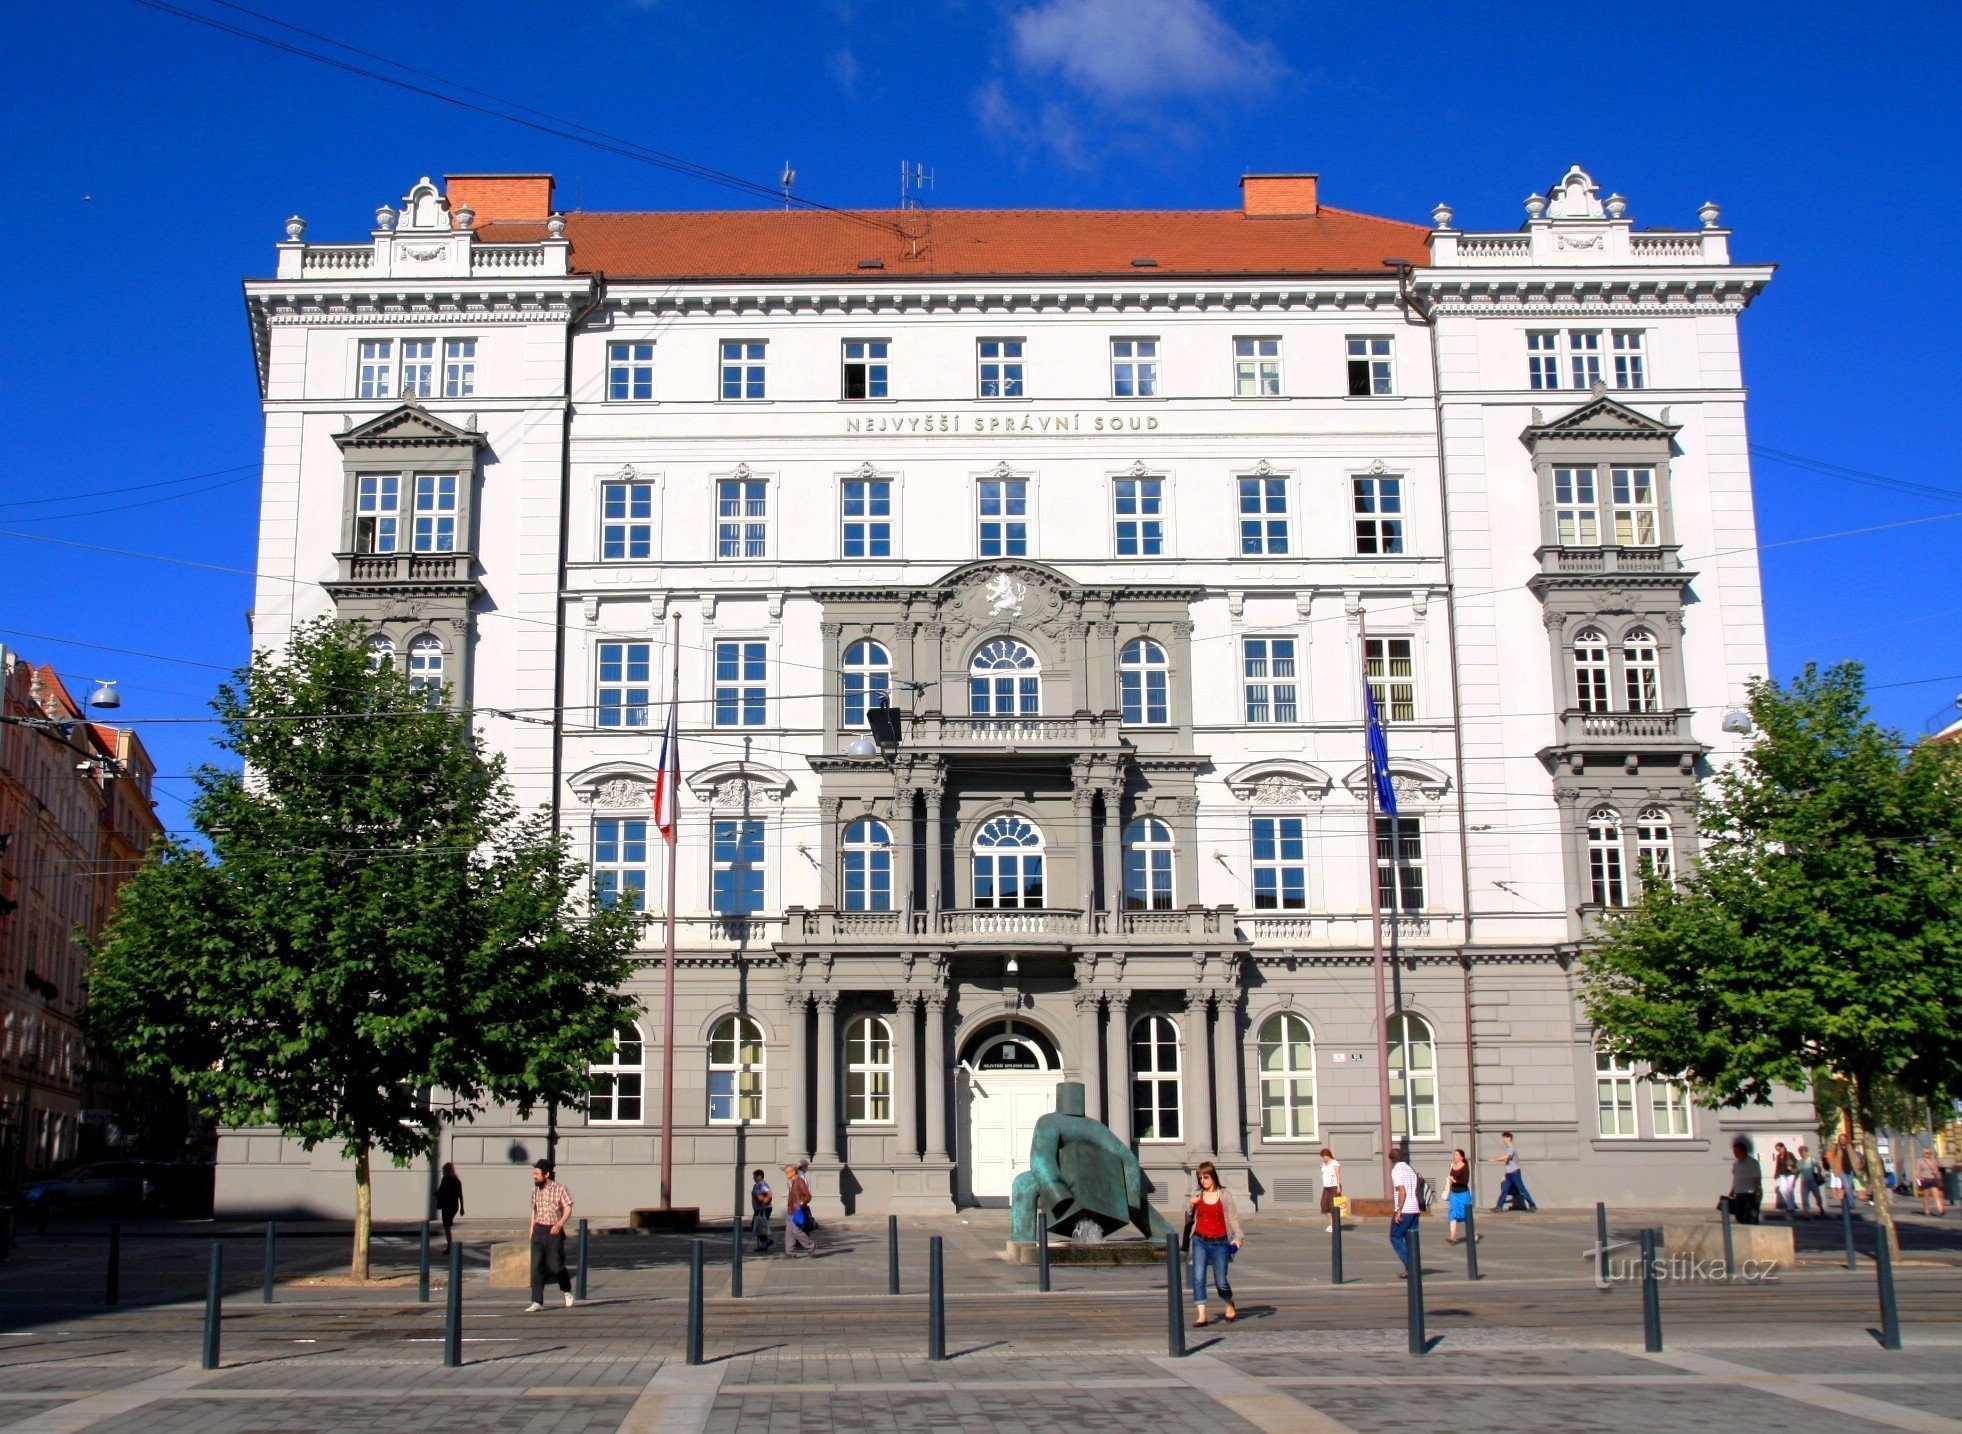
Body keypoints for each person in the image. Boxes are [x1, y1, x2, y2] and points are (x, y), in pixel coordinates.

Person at [1187, 1160, 1244, 1327]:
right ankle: (1201, 1315)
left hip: (1220, 1242)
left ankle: (1228, 1303)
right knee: (1198, 1277)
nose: (1203, 1181)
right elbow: (1190, 1217)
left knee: (1221, 1280)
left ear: (1213, 1177)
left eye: (1206, 1177)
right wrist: (1191, 1204)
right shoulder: (1198, 1195)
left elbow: (1233, 1217)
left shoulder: (1224, 1195)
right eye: (1200, 1178)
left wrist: (1238, 1237)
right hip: (1200, 1240)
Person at [524, 1159, 575, 1311]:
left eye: (537, 1174)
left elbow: (568, 1209)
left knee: (556, 1266)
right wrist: (532, 1229)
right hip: (539, 1230)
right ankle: (537, 1301)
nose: (534, 1176)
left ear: (546, 1174)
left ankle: (566, 1290)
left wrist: (560, 1224)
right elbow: (534, 1211)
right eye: (534, 1173)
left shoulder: (560, 1188)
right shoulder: (535, 1191)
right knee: (536, 1267)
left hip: (554, 1231)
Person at [1389, 1146, 1421, 1277]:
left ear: (1392, 1159)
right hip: (1415, 1208)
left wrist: (1399, 1210)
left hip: (1405, 1209)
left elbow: (1402, 1190)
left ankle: (1412, 1265)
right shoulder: (1410, 1169)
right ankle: (1411, 1268)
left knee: (1395, 1236)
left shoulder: (1396, 1170)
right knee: (1410, 1239)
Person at [1488, 1131, 1536, 1212]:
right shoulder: (1508, 1148)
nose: (1503, 1140)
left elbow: (1508, 1156)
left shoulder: (1511, 1147)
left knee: (1522, 1189)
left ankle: (1532, 1205)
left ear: (1509, 1138)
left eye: (1505, 1138)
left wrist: (1495, 1159)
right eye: (1503, 1138)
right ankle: (1499, 1207)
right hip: (1509, 1174)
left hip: (1514, 1173)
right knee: (1504, 1190)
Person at [1721, 1138, 1762, 1225]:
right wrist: (1732, 1191)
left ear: (1742, 1151)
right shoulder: (1736, 1163)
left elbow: (1757, 1179)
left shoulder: (1752, 1163)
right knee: (1739, 1216)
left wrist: (1758, 1192)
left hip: (1750, 1194)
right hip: (1738, 1194)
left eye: (1736, 1151)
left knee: (1751, 1217)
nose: (1734, 1153)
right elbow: (1736, 1178)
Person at [783, 1162, 815, 1257]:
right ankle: (790, 1252)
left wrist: (800, 1204)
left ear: (793, 1172)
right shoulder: (793, 1182)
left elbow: (808, 1196)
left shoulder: (799, 1181)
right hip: (791, 1210)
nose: (786, 1174)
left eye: (787, 1172)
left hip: (796, 1210)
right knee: (789, 1232)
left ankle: (811, 1246)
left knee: (796, 1231)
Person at [1445, 1148, 1475, 1244]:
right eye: (1454, 1154)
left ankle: (1474, 1233)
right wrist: (1449, 1181)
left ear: (1461, 1157)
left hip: (1463, 1194)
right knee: (1453, 1213)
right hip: (1454, 1194)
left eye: (1456, 1155)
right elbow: (1450, 1177)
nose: (1455, 1156)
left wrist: (1455, 1181)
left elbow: (1465, 1182)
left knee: (1466, 1215)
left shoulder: (1465, 1167)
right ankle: (1452, 1236)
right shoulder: (1452, 1166)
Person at [435, 1162, 464, 1251]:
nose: (442, 1172)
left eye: (443, 1170)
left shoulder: (445, 1180)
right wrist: (462, 1208)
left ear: (446, 1170)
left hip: (446, 1205)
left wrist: (437, 1194)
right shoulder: (457, 1181)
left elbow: (441, 1190)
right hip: (454, 1205)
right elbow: (460, 1195)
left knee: (447, 1227)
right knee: (447, 1226)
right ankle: (449, 1246)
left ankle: (449, 1247)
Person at [1795, 1144, 1824, 1217]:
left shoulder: (1811, 1160)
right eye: (1800, 1152)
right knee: (1804, 1198)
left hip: (1812, 1181)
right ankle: (1806, 1213)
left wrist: (1819, 1176)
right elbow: (1798, 1172)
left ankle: (1821, 1208)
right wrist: (1794, 1181)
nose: (1802, 1154)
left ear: (1806, 1152)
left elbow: (1819, 1167)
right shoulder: (1799, 1162)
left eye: (1803, 1152)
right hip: (1804, 1181)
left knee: (1817, 1195)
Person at [1916, 1148, 1947, 1217]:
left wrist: (1938, 1172)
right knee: (1926, 1197)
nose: (1928, 1154)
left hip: (1933, 1180)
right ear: (1924, 1154)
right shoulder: (1920, 1161)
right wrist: (1918, 1183)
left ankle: (1940, 1210)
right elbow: (1917, 1172)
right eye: (1927, 1153)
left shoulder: (1934, 1161)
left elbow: (1940, 1168)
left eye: (1930, 1153)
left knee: (1936, 1196)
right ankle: (1927, 1210)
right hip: (1924, 1180)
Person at [750, 1168, 775, 1251]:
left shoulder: (762, 1184)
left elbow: (769, 1194)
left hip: (763, 1209)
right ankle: (764, 1245)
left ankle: (767, 1240)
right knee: (760, 1227)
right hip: (759, 1209)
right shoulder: (758, 1185)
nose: (753, 1178)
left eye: (755, 1176)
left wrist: (764, 1203)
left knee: (756, 1226)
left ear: (759, 1176)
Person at [1319, 1147, 1343, 1233]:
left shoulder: (1335, 1163)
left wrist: (1338, 1186)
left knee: (1334, 1206)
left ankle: (1334, 1224)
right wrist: (1321, 1167)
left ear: (1328, 1155)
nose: (1323, 1158)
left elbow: (1338, 1174)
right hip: (1326, 1187)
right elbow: (1323, 1174)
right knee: (1324, 1205)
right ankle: (1331, 1223)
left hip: (1334, 1187)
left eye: (1324, 1156)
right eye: (1322, 1156)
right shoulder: (1323, 1164)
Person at [1771, 1142, 1797, 1215]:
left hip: (1790, 1174)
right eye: (1777, 1150)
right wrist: (1776, 1174)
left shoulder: (1789, 1154)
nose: (1778, 1151)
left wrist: (1792, 1167)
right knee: (1782, 1189)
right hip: (1783, 1174)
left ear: (1783, 1147)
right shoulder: (1779, 1156)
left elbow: (1796, 1162)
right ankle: (1790, 1203)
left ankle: (1791, 1207)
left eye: (1779, 1149)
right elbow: (1778, 1166)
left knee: (1790, 1190)